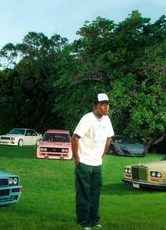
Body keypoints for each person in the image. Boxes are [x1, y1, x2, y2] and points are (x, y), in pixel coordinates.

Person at [71, 93, 114, 230]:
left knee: (95, 193)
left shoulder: (107, 120)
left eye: (107, 104)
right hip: (84, 163)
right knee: (84, 193)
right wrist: (77, 159)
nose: (106, 107)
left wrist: (102, 155)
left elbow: (109, 138)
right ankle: (83, 222)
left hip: (97, 164)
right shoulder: (87, 119)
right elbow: (75, 138)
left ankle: (94, 220)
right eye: (102, 104)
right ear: (96, 106)